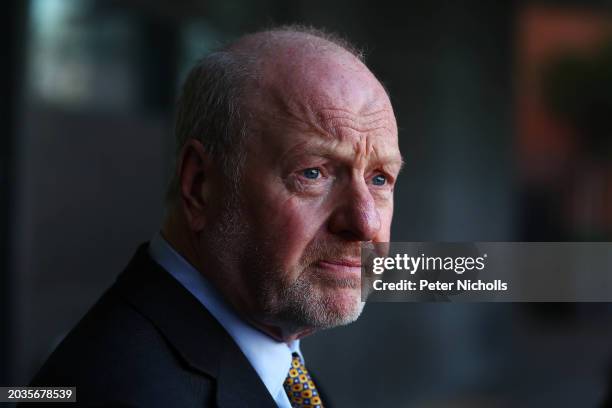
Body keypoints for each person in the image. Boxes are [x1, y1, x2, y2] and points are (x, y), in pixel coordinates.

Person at [24, 25, 402, 407]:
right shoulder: (120, 392)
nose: (365, 223)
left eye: (380, 178)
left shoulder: (276, 363)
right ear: (200, 185)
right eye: (312, 173)